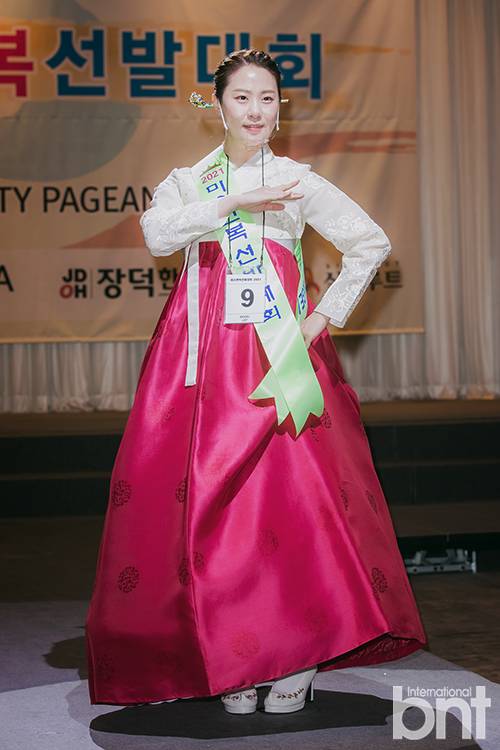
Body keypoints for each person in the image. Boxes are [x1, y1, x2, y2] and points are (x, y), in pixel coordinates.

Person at [85, 48, 427, 716]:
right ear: (217, 107)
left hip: (277, 362)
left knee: (290, 509)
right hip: (201, 365)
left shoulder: (297, 179)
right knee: (213, 512)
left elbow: (370, 243)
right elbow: (156, 236)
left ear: (281, 107)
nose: (255, 111)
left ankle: (299, 654)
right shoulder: (191, 181)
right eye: (241, 98)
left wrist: (321, 319)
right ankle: (233, 654)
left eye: (267, 98)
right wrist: (233, 201)